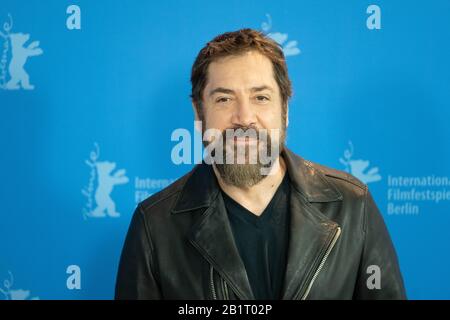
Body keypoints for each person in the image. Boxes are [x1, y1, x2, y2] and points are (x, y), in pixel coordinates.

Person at [115, 28, 406, 300]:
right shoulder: (155, 225)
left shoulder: (352, 206)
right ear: (199, 113)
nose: (244, 117)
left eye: (261, 97)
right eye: (224, 99)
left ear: (285, 110)